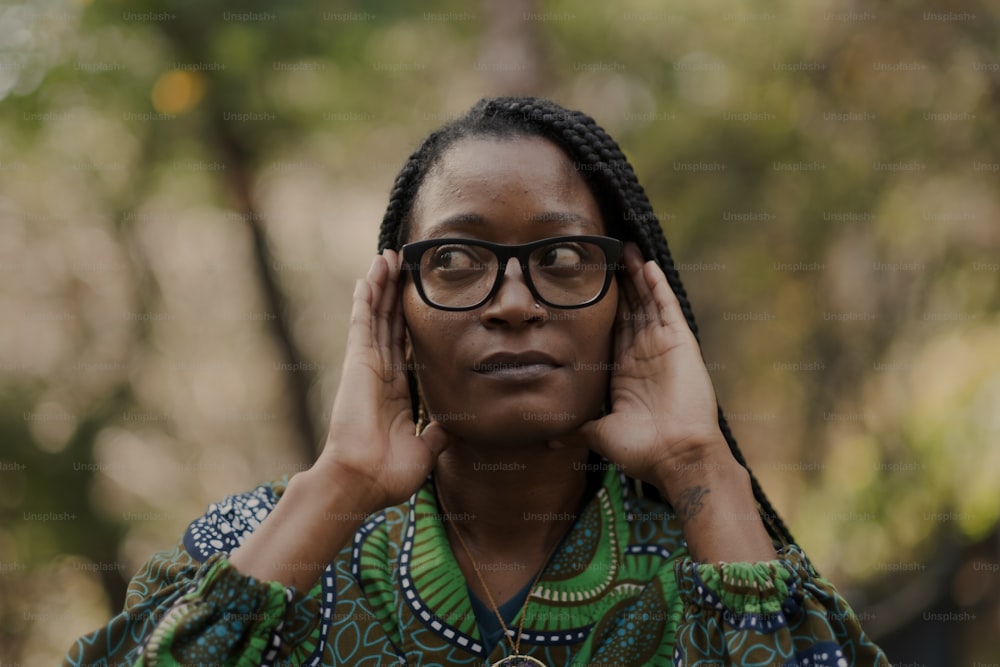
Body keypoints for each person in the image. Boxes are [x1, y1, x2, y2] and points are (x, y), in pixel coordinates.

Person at [63, 97, 889, 666]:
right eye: (456, 262)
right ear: (395, 313)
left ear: (632, 301)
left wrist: (701, 466)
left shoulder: (720, 564)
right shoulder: (261, 546)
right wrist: (340, 483)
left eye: (563, 258)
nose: (515, 302)